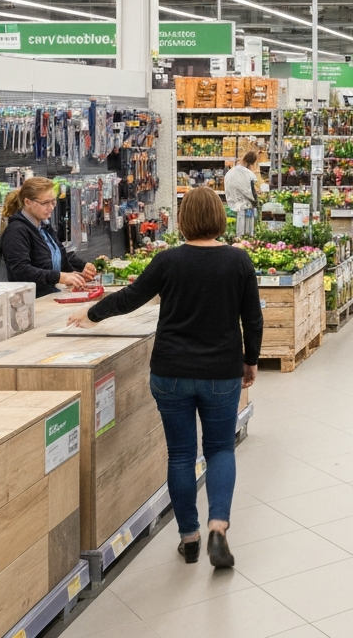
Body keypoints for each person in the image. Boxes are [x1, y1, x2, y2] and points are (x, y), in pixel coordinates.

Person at [67, 188, 263, 569]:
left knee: (180, 455)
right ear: (221, 218)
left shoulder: (168, 260)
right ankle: (218, 528)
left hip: (171, 372)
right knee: (220, 449)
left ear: (184, 219)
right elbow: (251, 318)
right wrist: (250, 361)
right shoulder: (239, 262)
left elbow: (131, 297)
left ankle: (188, 537)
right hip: (221, 372)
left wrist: (92, 315)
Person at [0, 176, 97, 298]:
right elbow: (21, 271)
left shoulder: (43, 226)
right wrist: (60, 277)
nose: (51, 207)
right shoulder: (16, 231)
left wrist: (82, 268)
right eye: (45, 203)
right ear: (27, 202)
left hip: (50, 297)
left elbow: (59, 254)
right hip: (31, 302)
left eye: (53, 202)